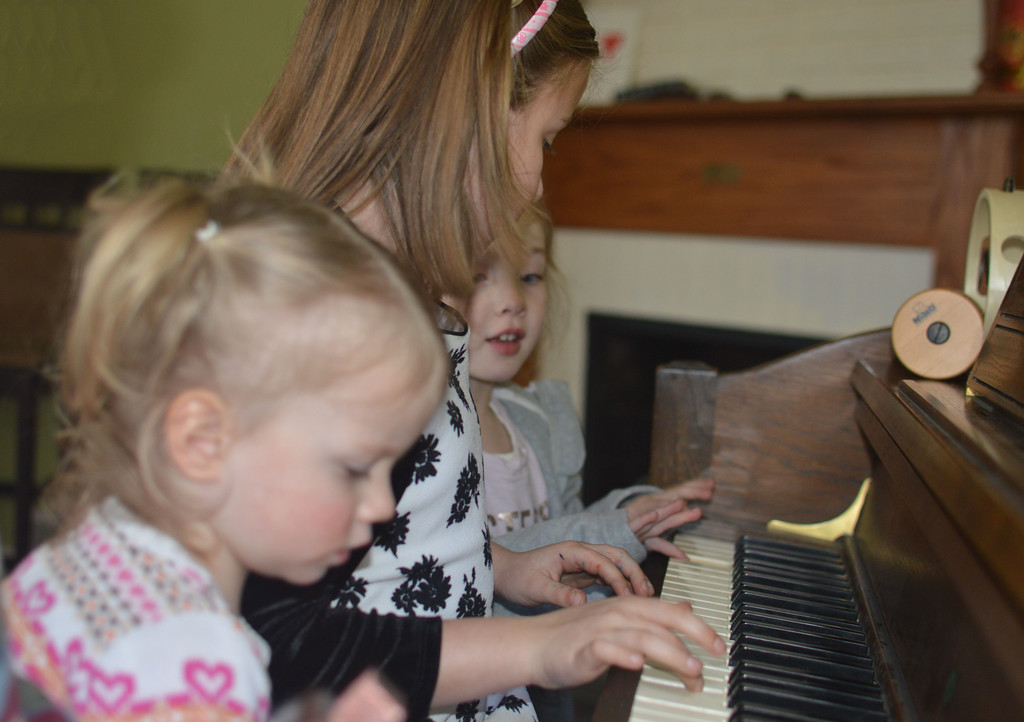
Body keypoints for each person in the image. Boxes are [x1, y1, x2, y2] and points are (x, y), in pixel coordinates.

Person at [226, 2, 726, 720]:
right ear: (472, 109)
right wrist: (538, 647)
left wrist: (501, 566)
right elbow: (280, 643)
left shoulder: (411, 297)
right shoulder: (341, 322)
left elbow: (400, 543)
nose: (539, 182)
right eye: (547, 139)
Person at [0, 177, 448, 722]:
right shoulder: (192, 657)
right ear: (202, 442)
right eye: (354, 468)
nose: (383, 505)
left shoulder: (82, 554)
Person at [465, 214, 714, 721]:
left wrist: (634, 515)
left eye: (530, 276)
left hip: (548, 697)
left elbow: (565, 529)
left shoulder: (539, 421)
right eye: (478, 276)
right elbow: (483, 569)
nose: (513, 300)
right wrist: (610, 530)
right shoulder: (426, 445)